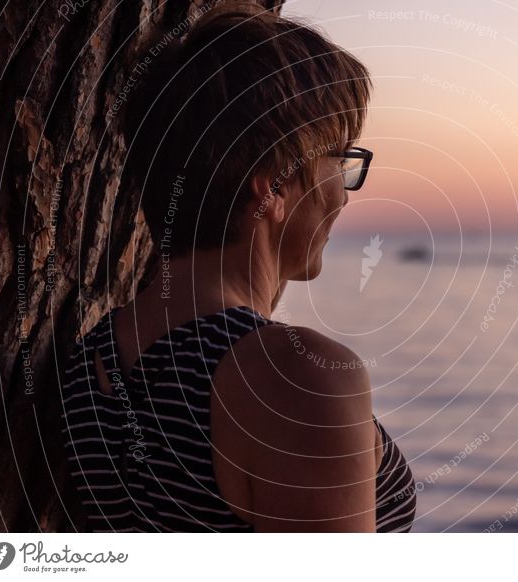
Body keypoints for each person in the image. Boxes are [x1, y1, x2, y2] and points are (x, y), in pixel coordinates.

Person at [60, 2, 416, 532]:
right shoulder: (294, 376)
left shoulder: (88, 366)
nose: (343, 195)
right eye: (337, 162)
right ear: (272, 186)